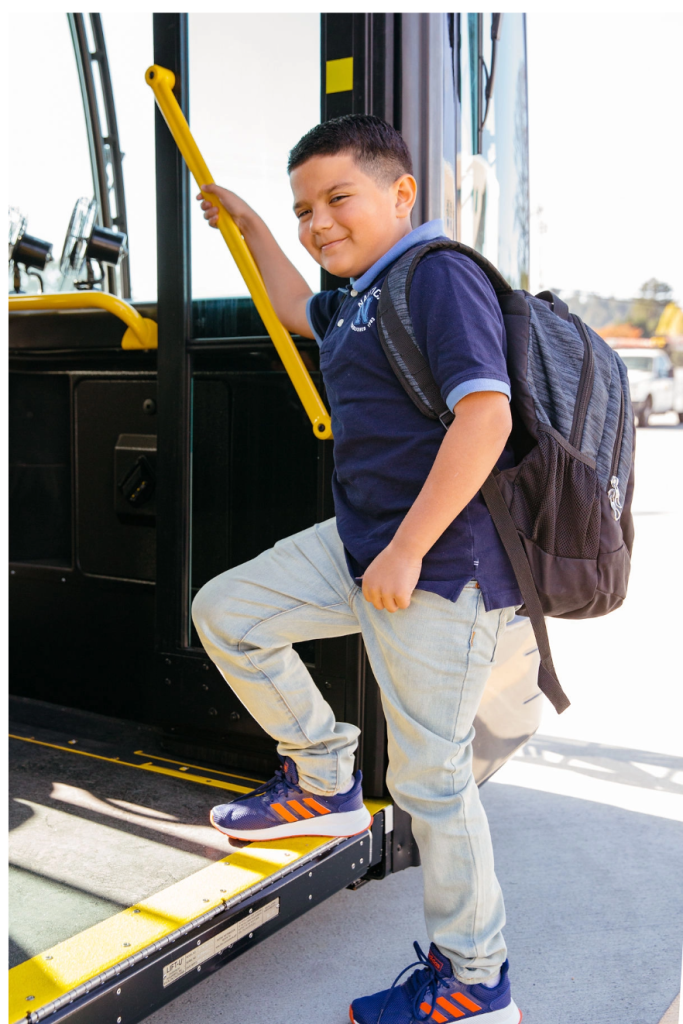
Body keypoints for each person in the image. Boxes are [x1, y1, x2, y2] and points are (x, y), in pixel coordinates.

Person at [192, 114, 523, 1024]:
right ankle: (325, 778)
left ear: (400, 193)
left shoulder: (437, 274)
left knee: (431, 782)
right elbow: (297, 305)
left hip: (438, 567)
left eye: (338, 198)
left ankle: (475, 983)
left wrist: (410, 548)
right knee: (229, 610)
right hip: (362, 547)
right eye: (305, 208)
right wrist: (254, 227)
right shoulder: (356, 295)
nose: (318, 221)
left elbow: (483, 419)